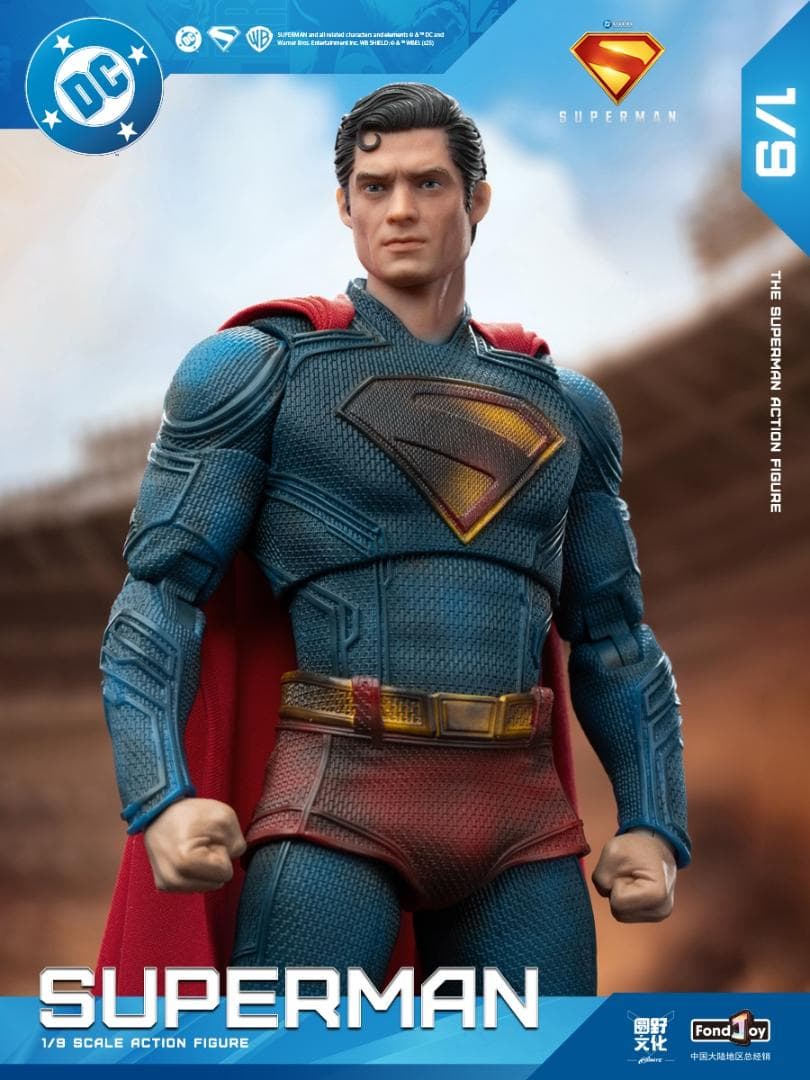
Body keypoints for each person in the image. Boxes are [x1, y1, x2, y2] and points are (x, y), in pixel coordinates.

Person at [100, 83, 690, 996]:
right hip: (339, 794)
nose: (400, 210)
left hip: (518, 813)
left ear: (477, 199)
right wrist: (161, 795)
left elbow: (614, 637)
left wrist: (652, 819)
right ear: (344, 205)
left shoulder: (565, 405)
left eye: (428, 183)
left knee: (543, 1057)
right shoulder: (263, 369)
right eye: (375, 188)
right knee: (297, 1056)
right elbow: (160, 595)